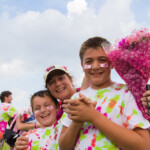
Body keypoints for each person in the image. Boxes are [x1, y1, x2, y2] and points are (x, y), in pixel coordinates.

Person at [59, 36, 150, 150]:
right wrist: (77, 122)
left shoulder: (127, 93)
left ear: (112, 63)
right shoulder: (76, 98)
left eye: (102, 60)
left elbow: (144, 145)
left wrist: (93, 117)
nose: (96, 66)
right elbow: (64, 147)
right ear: (82, 66)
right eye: (89, 61)